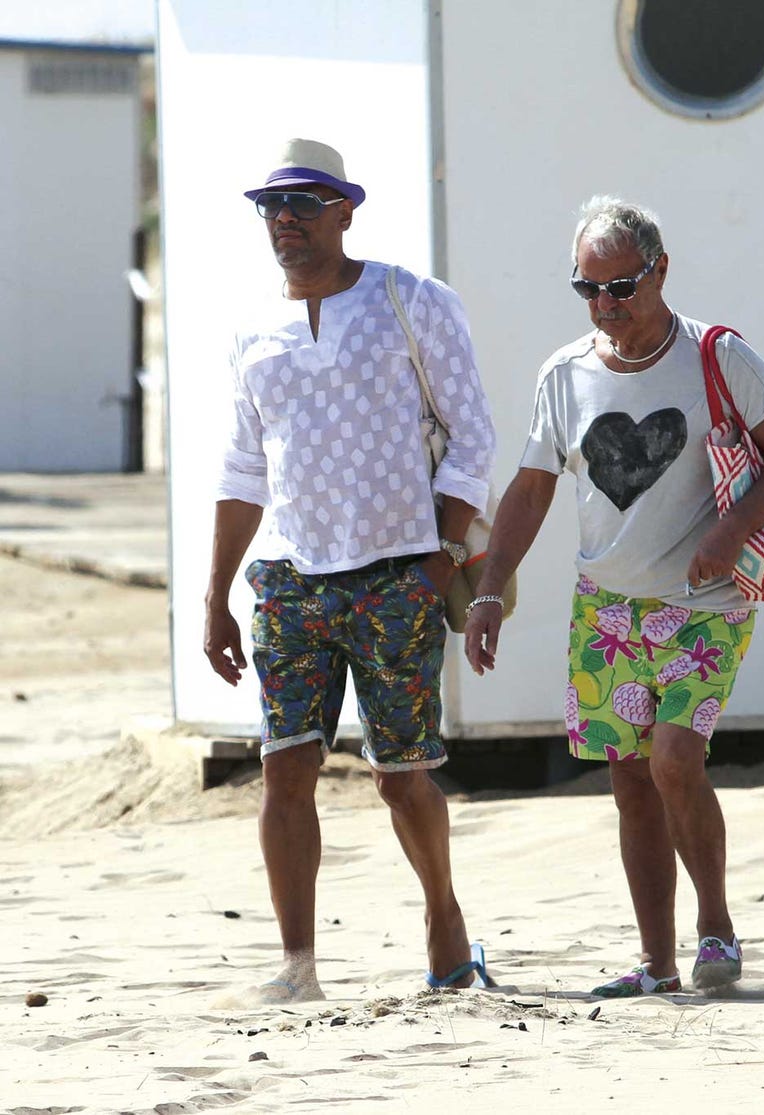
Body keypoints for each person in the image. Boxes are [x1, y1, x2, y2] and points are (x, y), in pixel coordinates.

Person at [463, 196, 764, 997]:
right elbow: (530, 487)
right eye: (588, 290)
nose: (606, 307)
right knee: (628, 780)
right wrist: (488, 591)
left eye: (620, 286)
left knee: (674, 759)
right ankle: (657, 963)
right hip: (609, 609)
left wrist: (729, 535)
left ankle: (716, 928)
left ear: (660, 270)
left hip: (709, 601)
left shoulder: (717, 358)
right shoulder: (567, 374)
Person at [204, 138, 496, 1002]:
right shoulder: (255, 336)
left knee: (400, 775)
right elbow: (240, 473)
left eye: (303, 201)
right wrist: (214, 596)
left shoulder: (411, 300)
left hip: (396, 572)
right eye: (270, 206)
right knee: (283, 766)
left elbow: (471, 434)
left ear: (346, 209)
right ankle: (296, 967)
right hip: (291, 580)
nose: (284, 219)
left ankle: (446, 924)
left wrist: (437, 559)